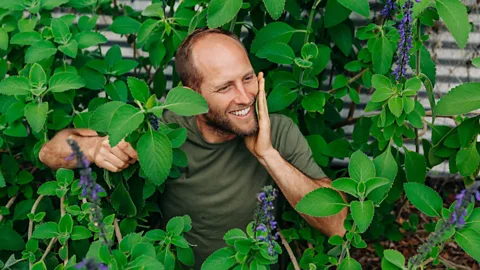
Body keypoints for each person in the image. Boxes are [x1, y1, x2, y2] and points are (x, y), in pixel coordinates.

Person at [39, 27, 347, 268]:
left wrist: (269, 156)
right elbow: (49, 152)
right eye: (225, 87)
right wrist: (92, 149)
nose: (244, 96)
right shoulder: (159, 129)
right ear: (193, 95)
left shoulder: (276, 130)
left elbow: (338, 225)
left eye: (248, 78)